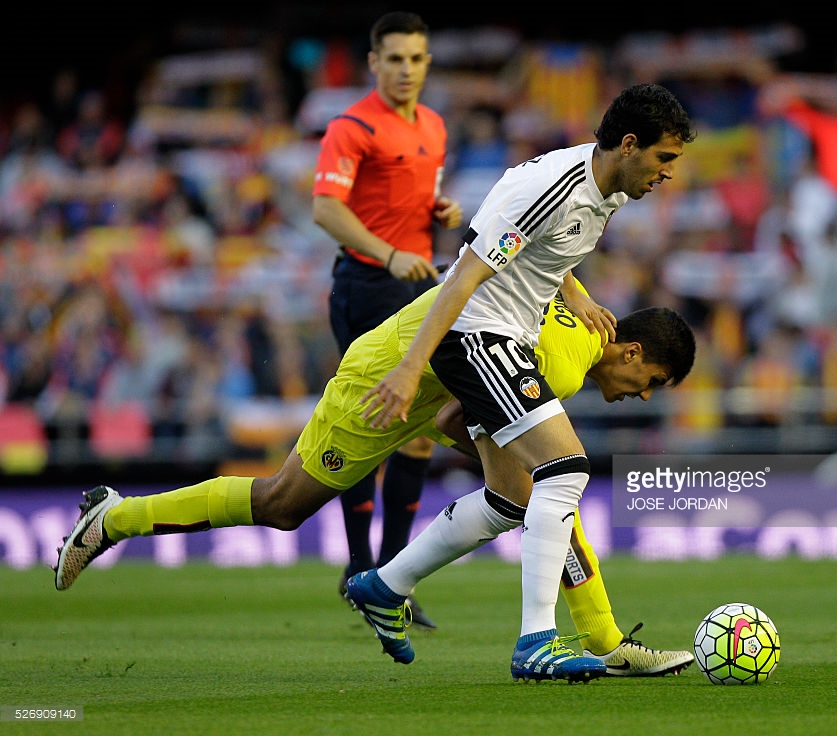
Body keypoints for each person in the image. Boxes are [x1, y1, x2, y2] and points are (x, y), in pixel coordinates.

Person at [54, 281, 698, 680]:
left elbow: (527, 259)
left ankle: (399, 589)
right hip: (382, 381)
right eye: (652, 384)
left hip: (421, 383)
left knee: (535, 492)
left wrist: (572, 286)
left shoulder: (574, 330)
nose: (644, 398)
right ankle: (113, 516)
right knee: (282, 503)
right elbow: (454, 413)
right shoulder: (561, 368)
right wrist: (493, 453)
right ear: (633, 353)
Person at [351, 82, 695, 682]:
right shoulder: (551, 188)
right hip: (481, 333)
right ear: (630, 144)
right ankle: (537, 640)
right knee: (566, 469)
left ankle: (385, 585)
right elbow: (461, 278)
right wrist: (410, 369)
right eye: (665, 158)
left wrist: (576, 292)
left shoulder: (606, 191)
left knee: (511, 500)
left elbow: (548, 252)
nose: (668, 174)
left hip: (508, 335)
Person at [311, 11, 463, 629]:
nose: (406, 69)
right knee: (373, 426)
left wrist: (437, 210)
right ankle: (358, 565)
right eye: (395, 58)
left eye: (416, 59)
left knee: (420, 428)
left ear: (427, 64)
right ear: (373, 63)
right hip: (367, 284)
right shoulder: (350, 128)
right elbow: (326, 209)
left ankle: (391, 575)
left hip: (417, 284)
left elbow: (406, 199)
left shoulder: (433, 125)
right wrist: (392, 252)